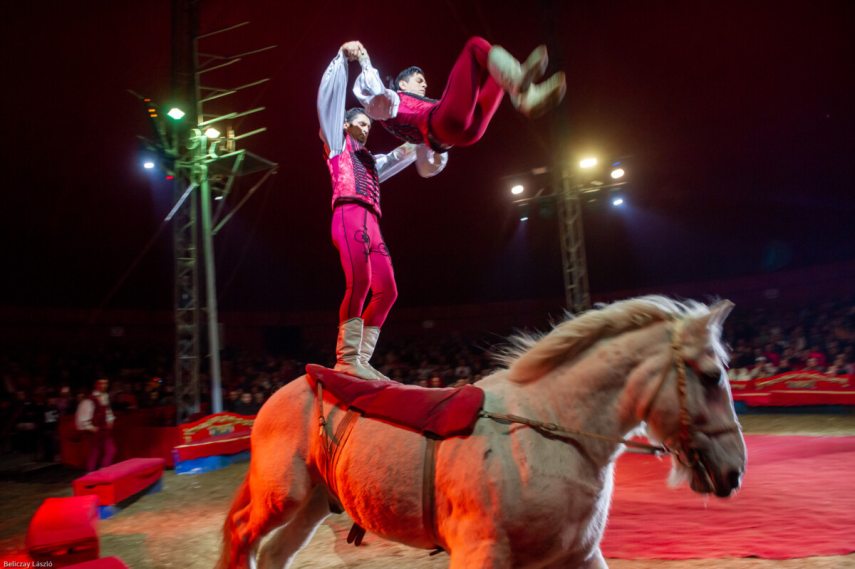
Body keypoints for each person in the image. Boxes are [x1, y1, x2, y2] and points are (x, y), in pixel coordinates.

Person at [319, 41, 448, 380]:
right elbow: (329, 102)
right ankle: (346, 358)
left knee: (388, 290)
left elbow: (399, 156)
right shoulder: (337, 145)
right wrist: (342, 61)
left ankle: (361, 359)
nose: (366, 127)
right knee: (360, 280)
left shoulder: (370, 162)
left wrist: (426, 133)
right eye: (360, 123)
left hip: (372, 224)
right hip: (348, 215)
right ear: (344, 125)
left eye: (368, 124)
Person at [352, 38, 566, 152]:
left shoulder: (407, 114)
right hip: (443, 124)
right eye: (419, 80)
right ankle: (524, 92)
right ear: (402, 84)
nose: (425, 84)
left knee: (497, 75)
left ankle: (526, 96)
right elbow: (374, 93)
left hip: (466, 134)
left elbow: (426, 166)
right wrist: (363, 58)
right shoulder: (390, 101)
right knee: (475, 46)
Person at [75, 377, 116, 472]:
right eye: (101, 383)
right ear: (96, 384)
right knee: (95, 452)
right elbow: (83, 418)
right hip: (95, 431)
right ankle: (90, 474)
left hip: (104, 429)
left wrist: (110, 420)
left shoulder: (105, 396)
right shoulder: (89, 400)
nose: (104, 386)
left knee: (111, 450)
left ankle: (103, 471)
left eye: (105, 383)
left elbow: (107, 411)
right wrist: (92, 428)